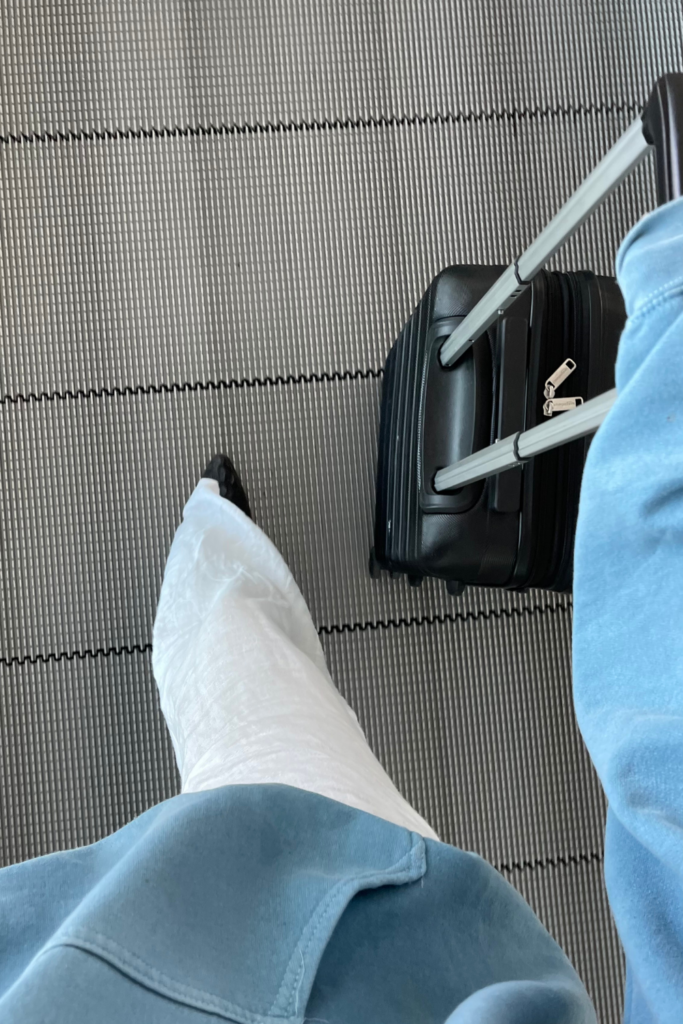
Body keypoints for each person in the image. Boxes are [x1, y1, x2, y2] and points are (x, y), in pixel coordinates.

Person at [1, 198, 682, 1024]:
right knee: (245, 692)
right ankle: (211, 533)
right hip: (353, 954)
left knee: (242, 687)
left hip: (267, 949)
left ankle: (213, 535)